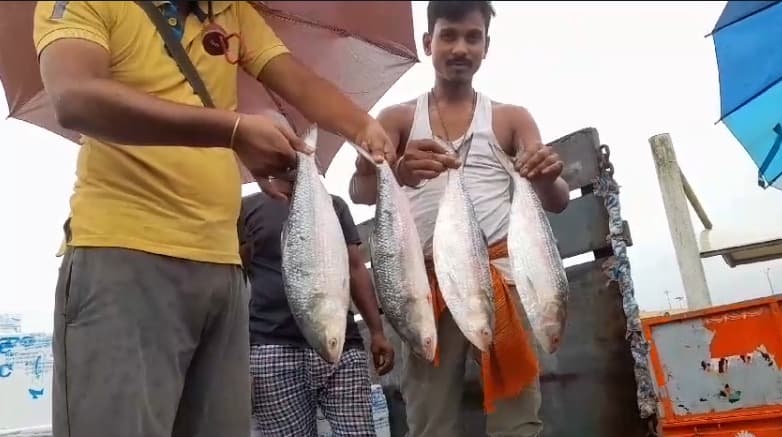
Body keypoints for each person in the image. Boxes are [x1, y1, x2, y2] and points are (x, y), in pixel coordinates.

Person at [34, 2, 393, 437]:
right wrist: (233, 131)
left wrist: (364, 129)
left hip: (224, 275)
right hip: (124, 259)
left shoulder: (230, 10)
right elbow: (75, 97)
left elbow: (297, 78)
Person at [348, 2, 570, 436]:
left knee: (518, 420)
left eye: (473, 37)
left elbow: (557, 200)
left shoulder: (511, 118)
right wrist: (390, 170)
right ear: (428, 42)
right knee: (430, 421)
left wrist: (547, 178)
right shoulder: (395, 119)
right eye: (448, 35)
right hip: (424, 287)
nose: (460, 48)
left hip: (502, 279)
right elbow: (361, 193)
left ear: (486, 46)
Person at [239, 135, 394, 436]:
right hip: (272, 347)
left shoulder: (334, 205)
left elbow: (355, 268)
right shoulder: (245, 208)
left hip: (341, 343)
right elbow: (237, 270)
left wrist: (376, 331)